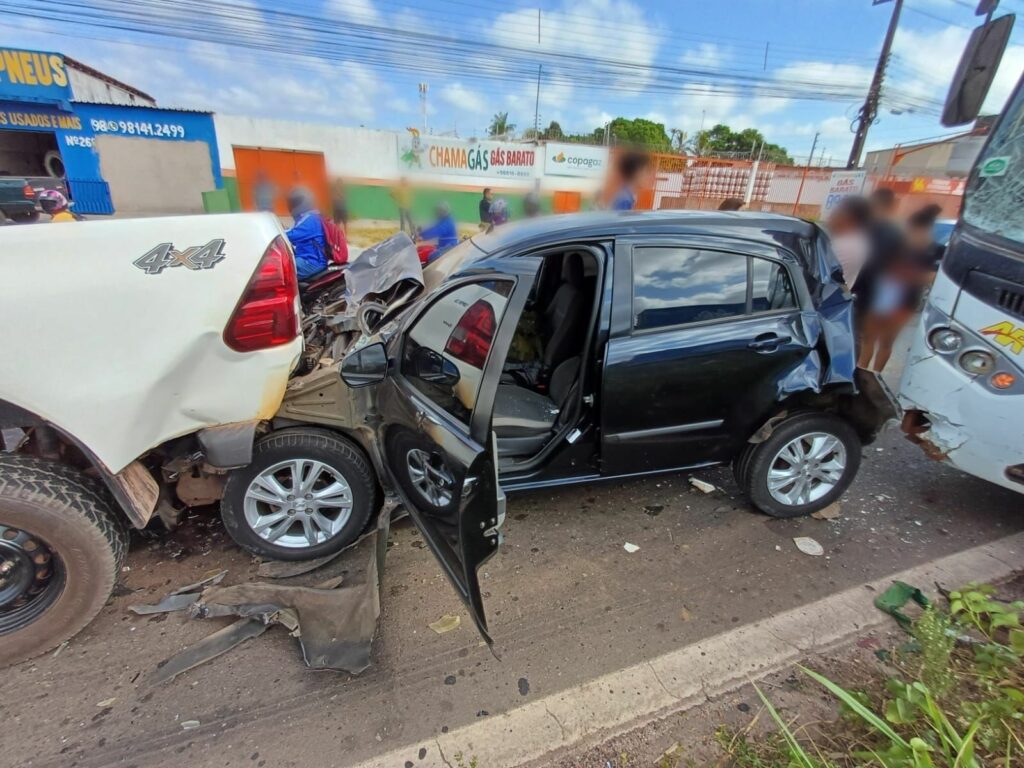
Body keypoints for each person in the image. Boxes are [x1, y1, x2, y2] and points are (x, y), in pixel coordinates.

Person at [826, 195, 872, 287]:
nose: (830, 217)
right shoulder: (856, 241)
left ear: (848, 218)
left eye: (835, 212)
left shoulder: (846, 245)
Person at [284, 187, 329, 280]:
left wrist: (274, 232)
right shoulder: (309, 217)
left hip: (311, 262)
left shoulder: (310, 219)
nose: (292, 205)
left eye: (295, 202)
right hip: (306, 259)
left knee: (279, 271)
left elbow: (291, 235)